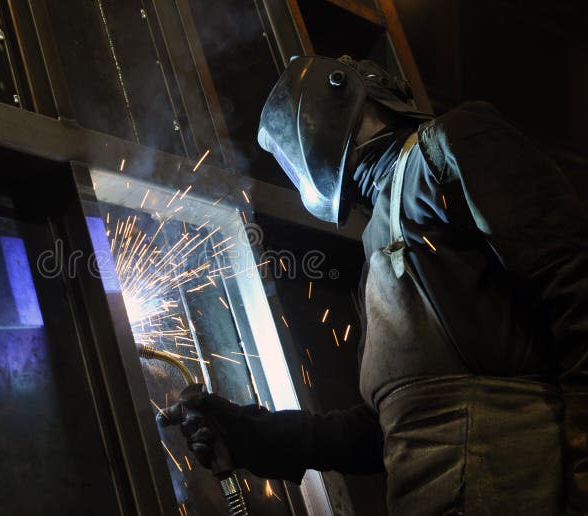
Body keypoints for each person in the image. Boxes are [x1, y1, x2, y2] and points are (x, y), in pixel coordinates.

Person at [160, 55, 588, 514]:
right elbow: (385, 432)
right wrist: (249, 434)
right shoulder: (378, 248)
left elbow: (573, 285)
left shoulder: (450, 148)